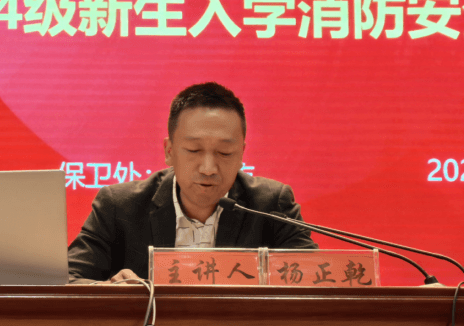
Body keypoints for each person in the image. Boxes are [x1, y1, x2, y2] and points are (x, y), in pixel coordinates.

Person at [67, 82, 317, 283]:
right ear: (169, 151)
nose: (208, 168)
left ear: (241, 153)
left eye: (224, 153)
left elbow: (316, 280)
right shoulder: (120, 206)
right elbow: (67, 279)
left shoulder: (271, 205)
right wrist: (110, 290)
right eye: (194, 150)